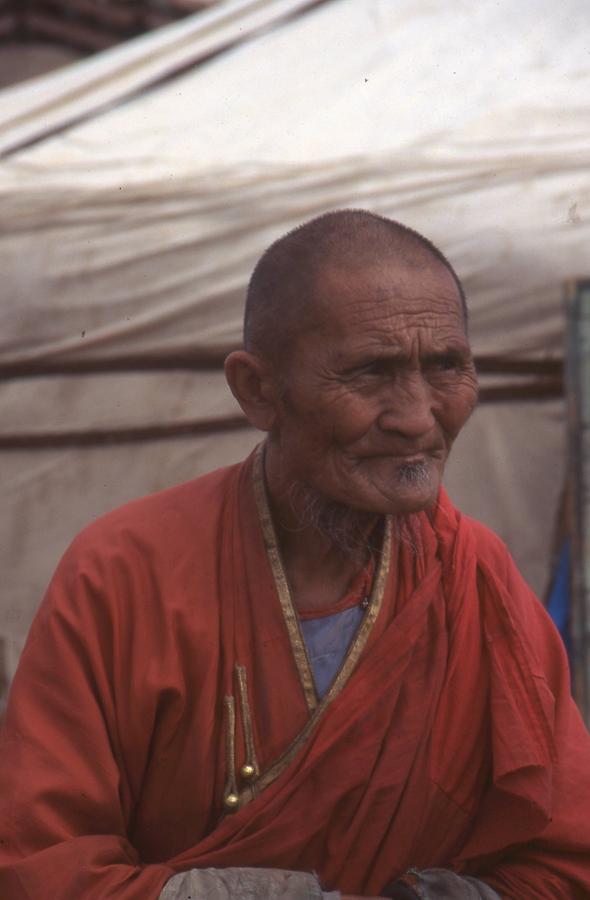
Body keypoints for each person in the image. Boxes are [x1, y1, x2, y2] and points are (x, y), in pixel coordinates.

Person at [1, 210, 589, 900]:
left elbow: (565, 859)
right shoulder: (125, 572)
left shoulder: (475, 577)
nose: (418, 416)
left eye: (447, 367)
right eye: (373, 373)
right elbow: (40, 869)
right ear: (257, 390)